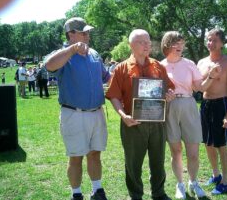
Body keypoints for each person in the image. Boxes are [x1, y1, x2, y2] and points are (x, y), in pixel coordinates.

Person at [45, 17, 110, 200]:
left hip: (96, 112)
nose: (88, 35)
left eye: (88, 32)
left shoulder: (94, 54)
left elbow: (107, 76)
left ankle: (97, 189)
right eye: (84, 32)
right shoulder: (62, 54)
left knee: (95, 153)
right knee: (76, 156)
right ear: (71, 35)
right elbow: (49, 65)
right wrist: (72, 50)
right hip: (73, 113)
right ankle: (77, 193)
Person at [105, 29, 174, 200]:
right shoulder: (121, 68)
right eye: (142, 42)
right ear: (131, 45)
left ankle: (159, 193)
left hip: (157, 122)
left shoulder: (158, 66)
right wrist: (123, 116)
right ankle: (135, 195)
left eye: (148, 42)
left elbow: (169, 88)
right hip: (132, 123)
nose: (147, 45)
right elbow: (113, 96)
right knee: (133, 163)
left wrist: (169, 96)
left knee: (158, 161)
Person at [160, 31, 221, 199]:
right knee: (176, 150)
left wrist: (211, 76)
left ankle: (193, 182)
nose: (180, 46)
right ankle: (180, 184)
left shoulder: (189, 64)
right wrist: (163, 95)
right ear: (167, 45)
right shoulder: (159, 65)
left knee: (193, 151)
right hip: (169, 107)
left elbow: (200, 88)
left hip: (188, 104)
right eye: (176, 43)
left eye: (182, 43)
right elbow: (155, 91)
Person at [197, 28, 227, 195]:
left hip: (221, 104)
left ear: (221, 43)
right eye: (209, 39)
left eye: (214, 40)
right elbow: (198, 87)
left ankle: (225, 181)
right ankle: (215, 174)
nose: (210, 43)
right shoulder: (201, 62)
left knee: (221, 145)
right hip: (205, 105)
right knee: (207, 143)